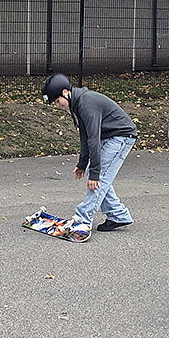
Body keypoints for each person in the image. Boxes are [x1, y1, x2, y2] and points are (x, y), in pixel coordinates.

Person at [41, 73, 138, 238]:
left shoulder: (86, 103)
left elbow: (93, 139)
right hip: (110, 137)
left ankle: (82, 220)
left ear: (65, 92)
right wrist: (82, 163)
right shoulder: (78, 103)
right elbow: (85, 136)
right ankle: (118, 215)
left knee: (99, 178)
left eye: (57, 101)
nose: (57, 105)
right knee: (100, 177)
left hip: (121, 137)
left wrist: (94, 173)